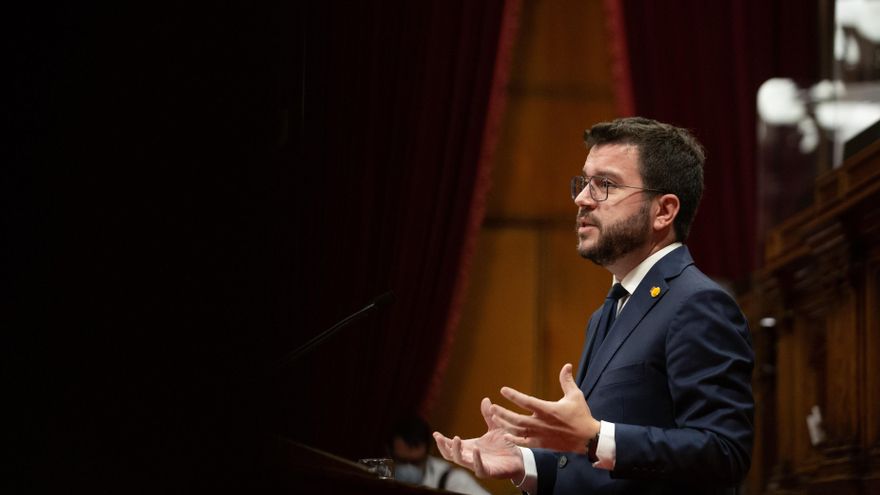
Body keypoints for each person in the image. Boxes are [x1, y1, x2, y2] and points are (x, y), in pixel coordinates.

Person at [432, 117, 755, 494]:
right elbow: (600, 464)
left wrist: (596, 437)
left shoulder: (699, 303)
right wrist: (526, 463)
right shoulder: (605, 314)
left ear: (664, 211)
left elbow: (725, 453)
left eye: (605, 184)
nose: (582, 198)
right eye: (584, 182)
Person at [388, 416, 491, 495]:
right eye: (401, 461)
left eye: (416, 462)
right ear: (389, 453)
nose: (408, 469)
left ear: (429, 453)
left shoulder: (453, 480)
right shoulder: (378, 479)